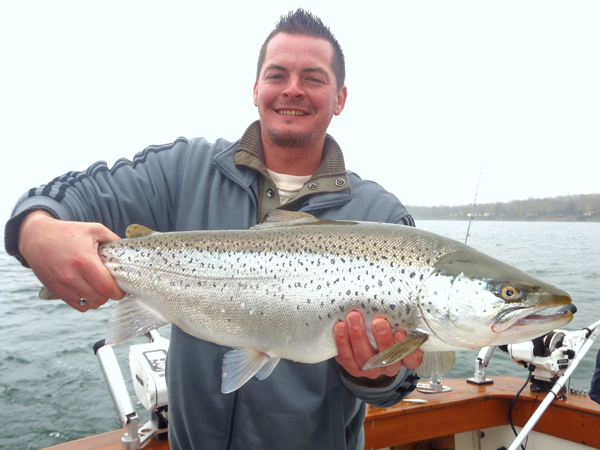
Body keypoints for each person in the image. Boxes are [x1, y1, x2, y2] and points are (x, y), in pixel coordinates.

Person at [5, 9, 423, 450]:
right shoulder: (185, 169)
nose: (293, 89)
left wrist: (382, 374)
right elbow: (66, 195)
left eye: (314, 78)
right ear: (256, 89)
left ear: (340, 98)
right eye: (277, 74)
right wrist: (35, 232)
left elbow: (402, 382)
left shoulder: (384, 218)